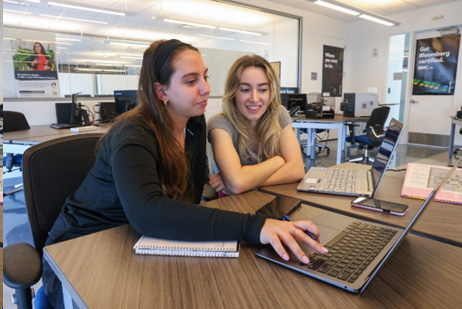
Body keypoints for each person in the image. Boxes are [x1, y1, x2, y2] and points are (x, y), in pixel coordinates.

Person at [40, 40, 327, 308]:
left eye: (205, 76)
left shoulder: (193, 122)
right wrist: (255, 227)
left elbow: (188, 197)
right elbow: (149, 213)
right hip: (83, 248)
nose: (205, 88)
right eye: (191, 81)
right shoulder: (134, 133)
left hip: (140, 240)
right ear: (161, 91)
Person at [208, 55, 305, 196]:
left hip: (273, 198)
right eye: (245, 90)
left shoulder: (279, 114)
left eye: (262, 90)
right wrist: (278, 161)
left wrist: (247, 182)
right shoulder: (219, 124)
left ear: (271, 91)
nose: (254, 98)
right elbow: (236, 183)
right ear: (233, 92)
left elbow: (297, 170)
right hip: (235, 205)